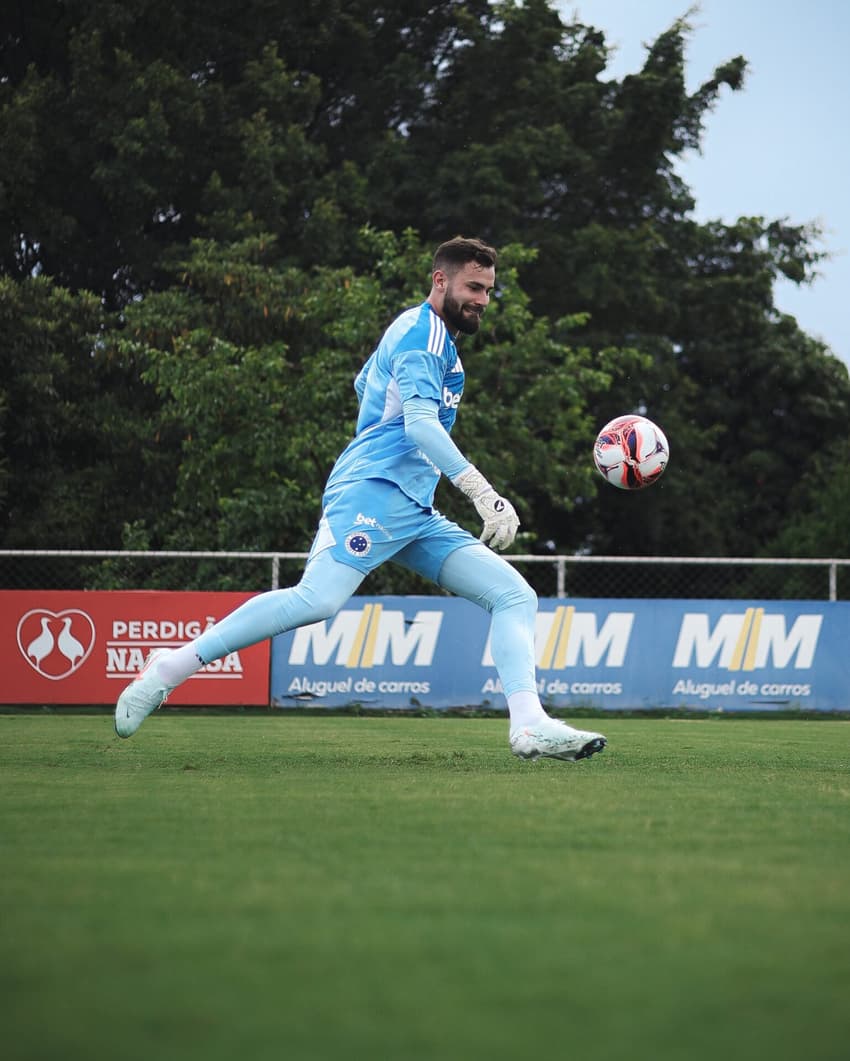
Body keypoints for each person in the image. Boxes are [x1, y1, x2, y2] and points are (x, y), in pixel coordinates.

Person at [115, 237, 607, 763]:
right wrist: (482, 492)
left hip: (413, 509)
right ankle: (169, 668)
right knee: (317, 601)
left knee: (515, 596)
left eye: (488, 289)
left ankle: (529, 725)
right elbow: (419, 424)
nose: (483, 299)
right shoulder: (425, 338)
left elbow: (365, 384)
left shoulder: (423, 332)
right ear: (439, 281)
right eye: (473, 287)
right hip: (372, 491)